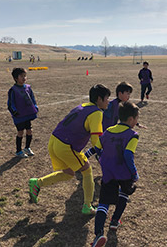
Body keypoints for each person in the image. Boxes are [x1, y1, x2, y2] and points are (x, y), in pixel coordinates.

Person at [28, 84, 111, 215]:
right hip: (66, 145)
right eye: (107, 98)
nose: (108, 101)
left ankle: (37, 183)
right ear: (99, 99)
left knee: (69, 173)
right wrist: (105, 152)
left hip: (54, 141)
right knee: (87, 170)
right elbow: (96, 140)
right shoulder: (97, 113)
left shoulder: (82, 106)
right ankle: (87, 206)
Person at [91, 101, 140, 247]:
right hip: (123, 172)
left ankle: (99, 233)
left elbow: (98, 148)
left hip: (108, 171)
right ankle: (114, 221)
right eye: (137, 118)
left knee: (103, 202)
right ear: (131, 119)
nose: (137, 122)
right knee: (124, 194)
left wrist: (103, 159)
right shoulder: (133, 135)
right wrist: (134, 172)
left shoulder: (109, 130)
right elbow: (127, 154)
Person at [7, 68, 38, 158]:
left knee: (29, 131)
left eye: (25, 76)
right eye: (21, 76)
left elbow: (32, 98)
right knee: (20, 132)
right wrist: (14, 112)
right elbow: (10, 103)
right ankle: (18, 151)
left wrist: (35, 106)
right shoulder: (13, 90)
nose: (24, 78)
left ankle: (27, 147)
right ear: (16, 78)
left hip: (27, 114)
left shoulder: (28, 87)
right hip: (19, 116)